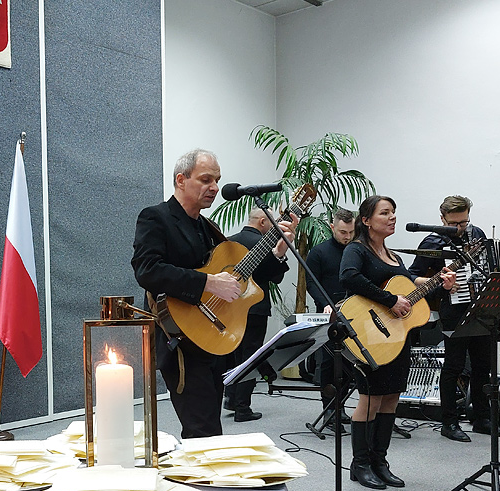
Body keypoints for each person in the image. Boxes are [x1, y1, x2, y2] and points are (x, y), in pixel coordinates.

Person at [132, 149, 296, 438]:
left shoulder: (207, 227)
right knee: (202, 429)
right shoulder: (156, 218)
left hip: (213, 338)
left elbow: (247, 276)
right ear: (181, 180)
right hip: (181, 339)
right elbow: (147, 270)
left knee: (209, 426)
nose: (215, 188)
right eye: (206, 180)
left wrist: (279, 251)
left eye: (217, 180)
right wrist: (207, 283)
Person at [340, 195, 455, 490]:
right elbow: (349, 277)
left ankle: (380, 461)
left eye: (393, 213)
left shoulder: (394, 257)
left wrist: (439, 284)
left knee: (391, 398)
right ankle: (360, 464)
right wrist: (390, 300)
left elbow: (409, 289)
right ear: (366, 220)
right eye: (385, 213)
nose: (392, 217)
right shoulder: (357, 250)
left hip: (396, 337)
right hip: (369, 334)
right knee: (371, 399)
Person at [409, 195, 500, 443]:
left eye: (463, 222)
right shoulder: (433, 242)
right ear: (442, 219)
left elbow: (490, 265)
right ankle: (449, 421)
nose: (459, 228)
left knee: (482, 366)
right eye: (453, 223)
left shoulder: (478, 235)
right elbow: (412, 276)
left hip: (481, 309)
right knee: (453, 366)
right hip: (453, 311)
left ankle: (482, 418)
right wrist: (442, 285)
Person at [221, 206, 292, 422]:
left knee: (233, 354)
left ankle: (231, 398)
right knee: (250, 357)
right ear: (262, 222)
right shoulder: (265, 244)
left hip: (229, 307)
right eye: (271, 222)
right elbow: (276, 278)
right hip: (255, 308)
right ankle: (243, 408)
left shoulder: (228, 241)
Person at [305, 207, 355, 425]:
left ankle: (340, 407)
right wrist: (325, 304)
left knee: (350, 365)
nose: (348, 237)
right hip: (328, 314)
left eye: (352, 232)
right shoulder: (319, 253)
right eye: (343, 232)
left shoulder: (356, 251)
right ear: (332, 227)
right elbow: (311, 284)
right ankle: (328, 409)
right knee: (328, 364)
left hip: (354, 312)